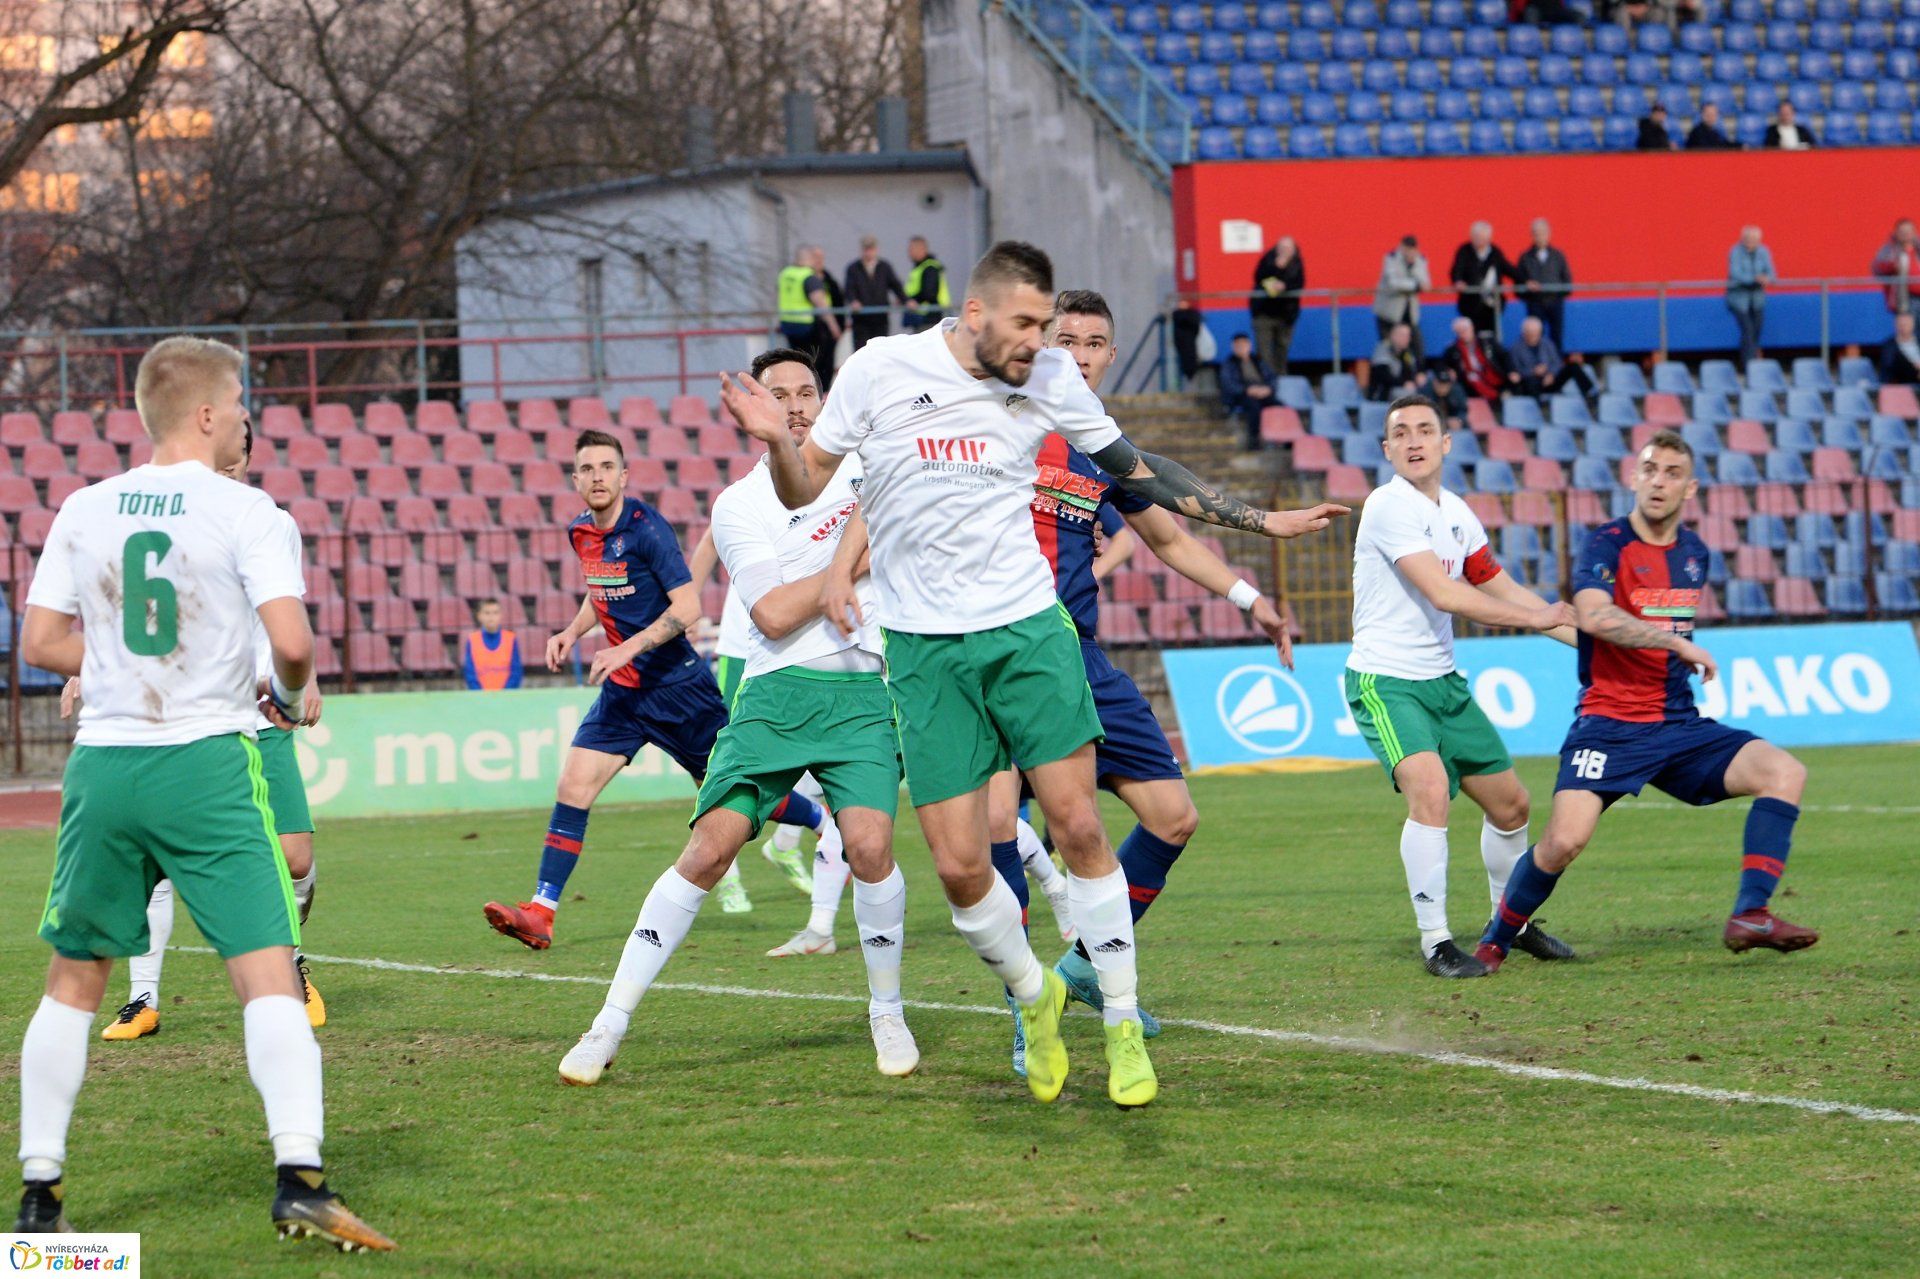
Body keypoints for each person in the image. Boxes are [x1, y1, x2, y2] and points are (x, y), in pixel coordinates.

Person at [718, 240, 1347, 1108]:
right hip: (927, 650)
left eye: (1048, 327)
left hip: (1028, 629)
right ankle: (1033, 992)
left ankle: (1122, 1020)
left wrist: (1256, 522)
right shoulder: (880, 368)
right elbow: (804, 487)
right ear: (974, 314)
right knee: (958, 866)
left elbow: (1141, 474)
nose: (1040, 343)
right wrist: (774, 444)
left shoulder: (1049, 380)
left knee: (1079, 824)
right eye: (1026, 324)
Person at [14, 336, 391, 1249]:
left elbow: (39, 640)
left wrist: (112, 668)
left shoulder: (85, 504)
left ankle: (40, 1206)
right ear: (211, 413)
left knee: (72, 980)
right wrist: (294, 696)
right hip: (205, 762)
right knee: (266, 971)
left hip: (103, 766)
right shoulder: (248, 508)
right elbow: (292, 644)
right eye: (241, 403)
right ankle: (299, 1177)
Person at [557, 347, 921, 1086]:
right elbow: (775, 614)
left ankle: (888, 1009)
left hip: (861, 686)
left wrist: (857, 551)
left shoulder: (866, 469)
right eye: (778, 394)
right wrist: (862, 552)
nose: (795, 405)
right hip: (774, 692)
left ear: (826, 400)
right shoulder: (738, 505)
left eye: (806, 391)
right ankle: (607, 1024)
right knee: (708, 849)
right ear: (753, 409)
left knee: (872, 847)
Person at [986, 288, 1298, 1071]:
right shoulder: (997, 421)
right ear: (1042, 345)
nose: (1081, 354)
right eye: (1067, 340)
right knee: (995, 830)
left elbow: (1168, 537)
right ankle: (1031, 1012)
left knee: (1172, 815)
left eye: (1094, 342)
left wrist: (1250, 597)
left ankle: (1085, 970)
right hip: (998, 653)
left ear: (1110, 354)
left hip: (1081, 657)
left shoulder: (1100, 445)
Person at [1477, 430, 1817, 971]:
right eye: (1650, 469)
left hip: (1678, 725)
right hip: (1608, 724)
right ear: (1634, 477)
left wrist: (1672, 649)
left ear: (1691, 488)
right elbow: (1593, 616)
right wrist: (1675, 641)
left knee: (1785, 772)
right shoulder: (1606, 545)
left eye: (1672, 472)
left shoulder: (1694, 555)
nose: (1659, 480)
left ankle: (1752, 912)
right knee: (1563, 842)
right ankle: (1496, 940)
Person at [480, 429, 829, 950]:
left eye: (606, 467)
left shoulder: (648, 530)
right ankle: (542, 911)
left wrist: (626, 648)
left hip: (679, 690)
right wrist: (574, 631)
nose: (597, 476)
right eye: (587, 469)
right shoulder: (581, 532)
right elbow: (601, 589)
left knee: (740, 796)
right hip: (623, 696)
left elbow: (688, 609)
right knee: (573, 788)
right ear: (575, 480)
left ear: (623, 476)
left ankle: (825, 823)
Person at [87, 427, 328, 1045]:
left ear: (247, 461)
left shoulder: (268, 522)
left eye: (233, 460)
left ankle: (290, 964)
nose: (221, 470)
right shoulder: (169, 529)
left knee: (294, 857)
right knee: (159, 864)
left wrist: (304, 679)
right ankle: (142, 999)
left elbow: (285, 617)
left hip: (262, 714)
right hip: (188, 719)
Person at [1348, 394, 1580, 978]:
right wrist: (1541, 617)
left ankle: (1512, 923)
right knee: (1429, 791)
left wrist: (1586, 638)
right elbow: (1449, 596)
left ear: (1446, 444)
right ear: (1387, 449)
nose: (1414, 441)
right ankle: (1435, 942)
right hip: (1388, 681)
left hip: (1444, 684)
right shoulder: (1386, 505)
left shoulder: (1456, 511)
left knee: (1512, 806)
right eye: (1401, 433)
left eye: (1426, 430)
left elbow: (1497, 585)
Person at [777, 247, 841, 391]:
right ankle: (814, 393)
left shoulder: (785, 274)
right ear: (807, 259)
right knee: (815, 364)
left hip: (788, 326)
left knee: (796, 362)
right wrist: (833, 325)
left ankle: (798, 391)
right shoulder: (808, 277)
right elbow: (821, 303)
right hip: (806, 327)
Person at [1449, 222, 1518, 339]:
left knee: (1493, 336)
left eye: (1481, 237)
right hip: (1470, 304)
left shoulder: (1495, 252)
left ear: (1488, 238)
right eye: (1475, 237)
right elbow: (1456, 269)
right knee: (1469, 335)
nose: (1478, 240)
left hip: (1492, 305)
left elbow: (1509, 269)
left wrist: (1526, 281)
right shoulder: (1464, 250)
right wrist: (1458, 281)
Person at [1507, 315, 1597, 401]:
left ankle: (1590, 395)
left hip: (1550, 379)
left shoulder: (1547, 343)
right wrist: (1533, 372)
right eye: (1531, 334)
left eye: (1536, 333)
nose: (1534, 337)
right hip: (1532, 382)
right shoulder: (1515, 348)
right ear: (1524, 333)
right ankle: (1538, 409)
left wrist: (1551, 374)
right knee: (1529, 383)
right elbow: (1516, 371)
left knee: (1573, 366)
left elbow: (1557, 363)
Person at [1514, 218, 1572, 349]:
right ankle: (1535, 365)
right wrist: (1529, 290)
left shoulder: (1558, 256)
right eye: (1536, 233)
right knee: (1534, 336)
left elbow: (1567, 281)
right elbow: (1518, 283)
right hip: (1535, 304)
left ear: (1549, 234)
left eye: (1542, 233)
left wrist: (1556, 293)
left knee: (1556, 335)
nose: (1540, 237)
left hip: (1555, 303)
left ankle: (1555, 366)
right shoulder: (1525, 257)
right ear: (1532, 235)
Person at [1251, 236, 1304, 378]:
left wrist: (1285, 286)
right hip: (1264, 312)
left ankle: (1281, 377)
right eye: (1282, 248)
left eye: (1288, 248)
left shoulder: (1297, 264)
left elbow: (1299, 284)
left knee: (1282, 348)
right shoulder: (1268, 259)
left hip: (1286, 314)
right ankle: (1267, 378)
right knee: (1264, 350)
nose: (1285, 251)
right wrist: (1275, 267)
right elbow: (1258, 277)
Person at [844, 234, 907, 351]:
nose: (869, 252)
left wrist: (906, 300)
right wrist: (853, 301)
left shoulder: (884, 267)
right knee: (861, 351)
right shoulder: (853, 268)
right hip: (861, 319)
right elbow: (849, 288)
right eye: (866, 249)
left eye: (871, 248)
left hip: (880, 318)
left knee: (881, 350)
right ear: (862, 250)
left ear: (876, 249)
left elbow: (895, 285)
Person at [1440, 315, 1517, 409]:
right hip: (1469, 383)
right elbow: (1441, 365)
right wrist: (1449, 370)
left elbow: (1504, 356)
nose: (1463, 334)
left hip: (1494, 376)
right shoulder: (1452, 349)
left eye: (1465, 330)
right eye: (1459, 332)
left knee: (1517, 383)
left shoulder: (1487, 340)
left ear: (1472, 327)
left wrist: (1512, 371)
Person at [1374, 235, 1431, 362]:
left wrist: (1413, 264)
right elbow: (1393, 283)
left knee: (1416, 343)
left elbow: (1426, 283)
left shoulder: (1420, 260)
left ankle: (1417, 372)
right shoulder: (1391, 258)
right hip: (1389, 312)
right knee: (1388, 345)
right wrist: (1415, 285)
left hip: (1409, 312)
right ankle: (1391, 373)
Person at [1726, 225, 1774, 369]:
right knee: (1747, 330)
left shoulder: (1763, 252)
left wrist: (1766, 278)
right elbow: (1736, 274)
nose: (1750, 242)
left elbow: (1772, 273)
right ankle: (1749, 366)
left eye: (1753, 239)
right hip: (1739, 300)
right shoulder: (1735, 252)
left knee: (1757, 330)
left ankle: (1752, 362)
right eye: (1747, 239)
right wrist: (1754, 279)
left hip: (1757, 299)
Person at [1219, 331, 1278, 445]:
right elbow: (1229, 385)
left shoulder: (1258, 361)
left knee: (1279, 406)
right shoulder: (1229, 364)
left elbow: (1272, 377)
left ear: (1249, 345)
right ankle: (1254, 438)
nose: (1241, 347)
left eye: (1244, 344)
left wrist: (1268, 389)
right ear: (1233, 347)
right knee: (1253, 407)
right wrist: (1247, 390)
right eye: (1238, 345)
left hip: (1263, 392)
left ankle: (1285, 437)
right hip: (1242, 395)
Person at [462, 597, 522, 690]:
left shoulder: (510, 638)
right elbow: (470, 673)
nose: (491, 617)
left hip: (506, 699)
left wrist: (505, 694)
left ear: (501, 615)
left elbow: (516, 672)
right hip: (480, 700)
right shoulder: (472, 639)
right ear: (479, 616)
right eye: (487, 613)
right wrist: (481, 695)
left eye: (495, 613)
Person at [1871, 217, 1919, 317]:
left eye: (1909, 231)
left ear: (1914, 232)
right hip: (1904, 300)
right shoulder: (1889, 250)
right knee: (1907, 331)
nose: (1906, 234)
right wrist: (1892, 266)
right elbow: (1876, 268)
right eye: (1903, 231)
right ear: (1896, 233)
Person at [1369, 322, 1428, 401]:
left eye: (1408, 335)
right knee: (1402, 394)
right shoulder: (1383, 349)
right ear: (1393, 336)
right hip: (1383, 395)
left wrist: (1420, 374)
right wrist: (1403, 384)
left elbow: (1416, 367)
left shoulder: (1408, 352)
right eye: (1403, 335)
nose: (1407, 338)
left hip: (1408, 390)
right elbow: (1383, 375)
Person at [903, 235, 948, 332]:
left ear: (921, 249)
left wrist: (912, 300)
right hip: (922, 317)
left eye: (911, 249)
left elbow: (929, 293)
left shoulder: (930, 268)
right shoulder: (920, 267)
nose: (909, 252)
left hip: (929, 317)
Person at [1878, 311, 1920, 385]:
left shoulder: (1918, 340)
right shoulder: (1890, 346)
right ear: (1895, 325)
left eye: (1906, 324)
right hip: (1907, 380)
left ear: (1912, 324)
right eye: (1901, 324)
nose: (1903, 327)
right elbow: (1887, 368)